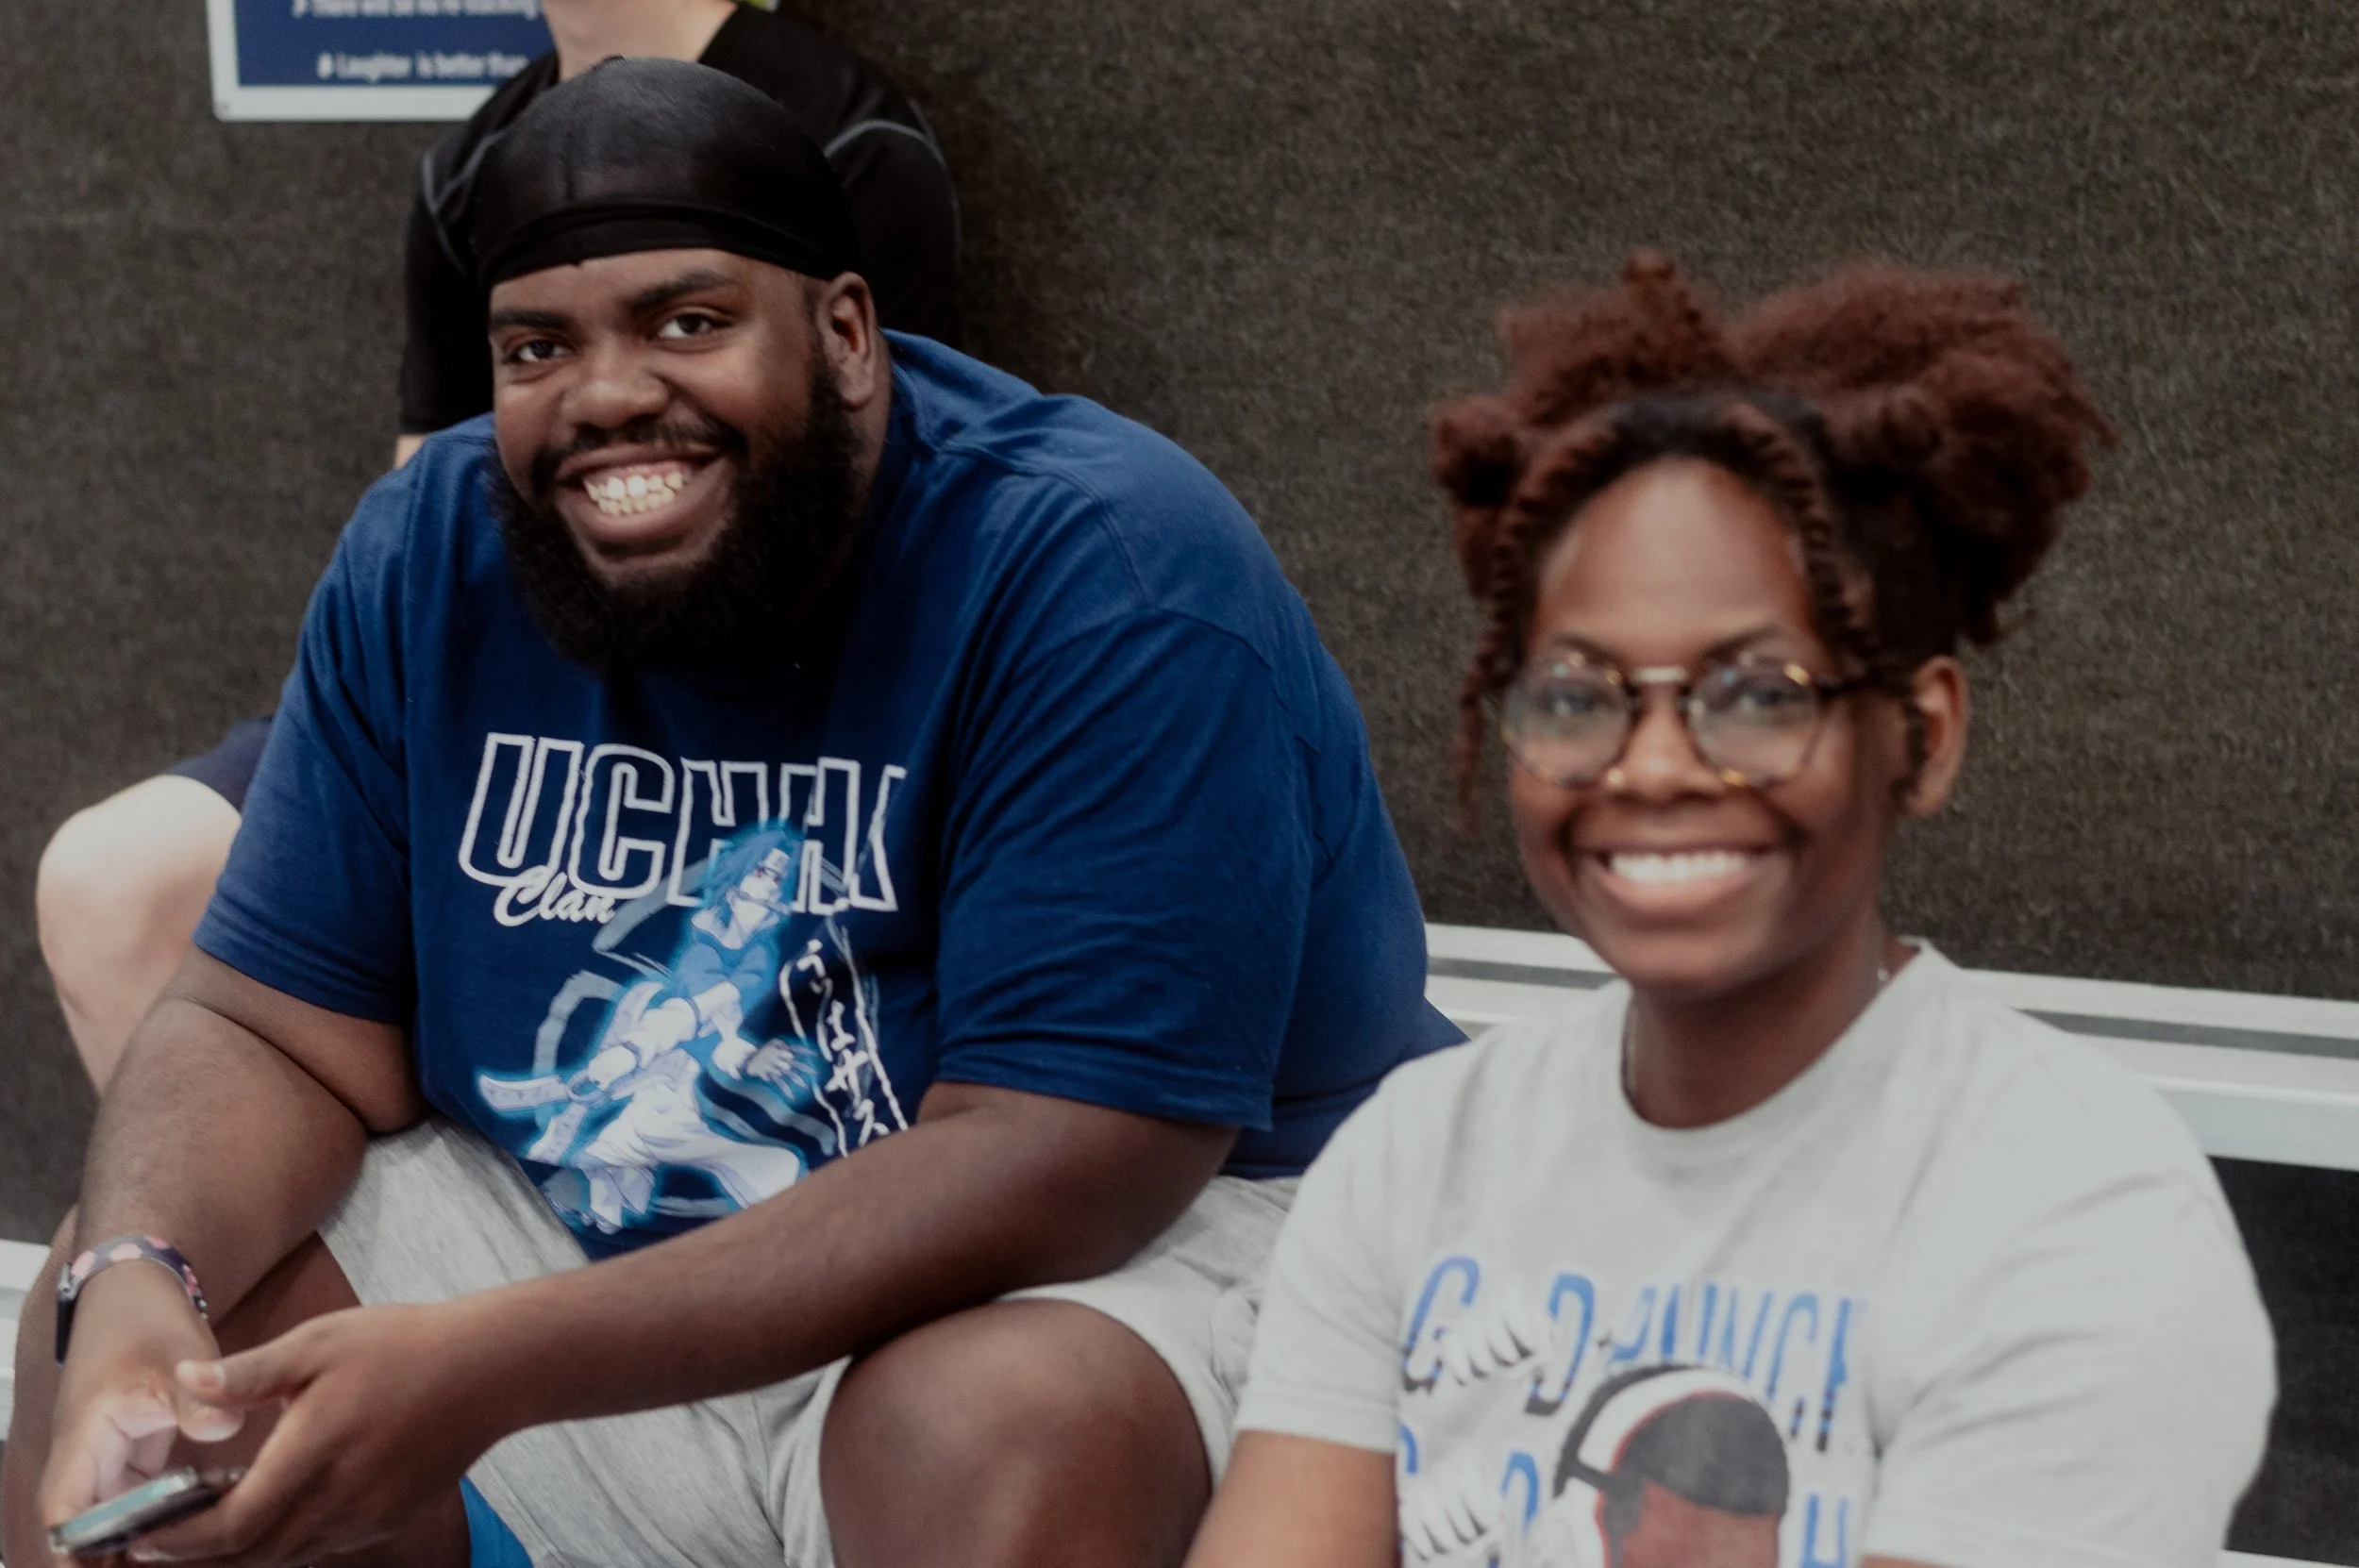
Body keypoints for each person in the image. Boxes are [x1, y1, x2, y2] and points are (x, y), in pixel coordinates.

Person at [3, 59, 1458, 1568]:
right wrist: (135, 1277)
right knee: (137, 1370)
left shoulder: (1101, 566)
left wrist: (490, 1364)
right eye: (537, 347)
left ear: (846, 335)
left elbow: (1065, 1157)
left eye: (687, 322)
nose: (609, 395)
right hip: (614, 1235)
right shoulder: (430, 548)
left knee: (982, 1430)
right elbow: (268, 1027)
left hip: (1141, 1244)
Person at [1184, 254, 2276, 1568]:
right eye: (1577, 695)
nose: (1652, 767)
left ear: (1921, 735)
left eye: (1758, 695)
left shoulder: (2075, 1213)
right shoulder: (1413, 1159)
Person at [34, 0, 960, 1092]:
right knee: (111, 883)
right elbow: (434, 518)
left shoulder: (848, 140)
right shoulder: (469, 168)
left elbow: (878, 490)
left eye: (687, 321)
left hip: (772, 700)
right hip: (519, 676)